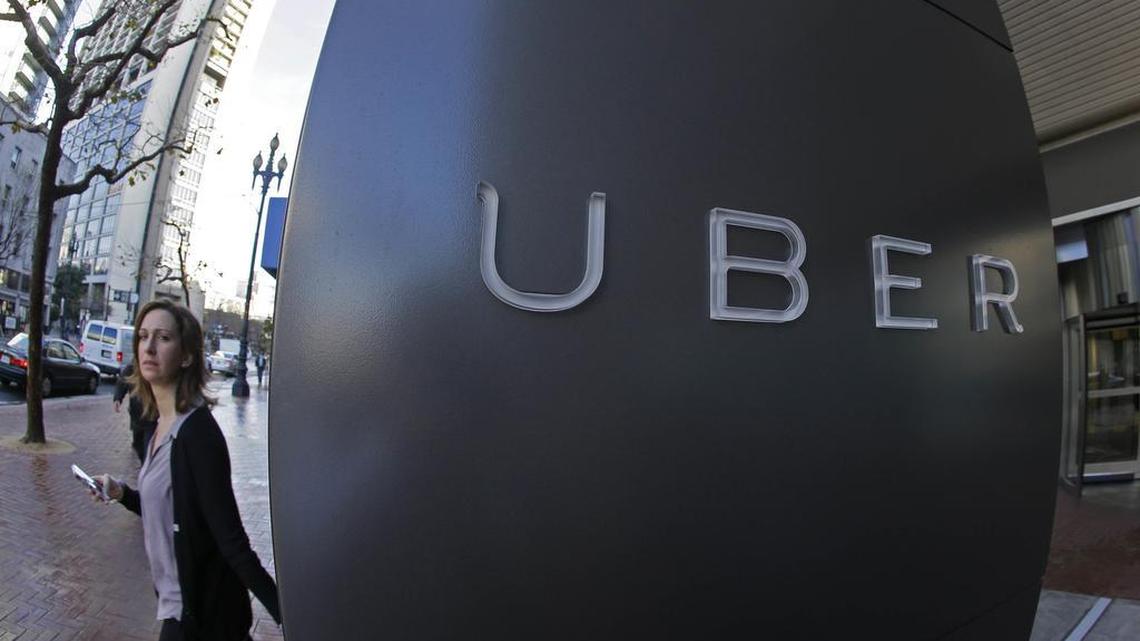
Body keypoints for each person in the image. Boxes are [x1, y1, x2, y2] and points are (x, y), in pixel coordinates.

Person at [91, 300, 281, 640]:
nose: (149, 347)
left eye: (163, 337)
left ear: (187, 356)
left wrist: (285, 613)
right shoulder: (156, 425)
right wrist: (121, 493)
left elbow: (231, 539)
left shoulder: (198, 434)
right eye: (143, 336)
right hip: (177, 608)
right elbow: (173, 508)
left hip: (203, 618)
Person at [113, 362, 156, 463]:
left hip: (152, 416)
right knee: (138, 445)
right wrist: (118, 398)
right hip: (137, 416)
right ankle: (144, 463)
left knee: (148, 448)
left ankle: (146, 466)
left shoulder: (155, 366)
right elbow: (122, 382)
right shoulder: (132, 367)